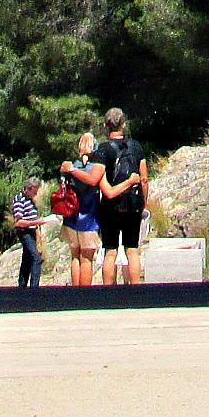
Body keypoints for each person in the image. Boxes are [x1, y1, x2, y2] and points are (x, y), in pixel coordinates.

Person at [91, 108, 149, 286]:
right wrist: (143, 203)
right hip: (133, 202)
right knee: (132, 249)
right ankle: (136, 288)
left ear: (105, 126)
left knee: (110, 251)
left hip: (110, 205)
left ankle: (109, 291)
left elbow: (98, 178)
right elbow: (144, 178)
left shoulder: (102, 150)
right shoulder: (136, 147)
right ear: (124, 124)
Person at [58, 132, 110, 287]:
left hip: (71, 215)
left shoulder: (70, 165)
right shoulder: (94, 167)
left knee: (75, 255)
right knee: (87, 257)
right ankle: (84, 294)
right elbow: (93, 182)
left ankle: (75, 290)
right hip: (88, 216)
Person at [7, 178, 46, 290]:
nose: (36, 193)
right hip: (25, 232)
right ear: (28, 189)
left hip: (32, 231)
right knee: (36, 258)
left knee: (27, 258)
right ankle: (34, 288)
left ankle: (22, 286)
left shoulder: (30, 200)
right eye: (34, 191)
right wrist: (36, 222)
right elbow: (18, 222)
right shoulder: (20, 200)